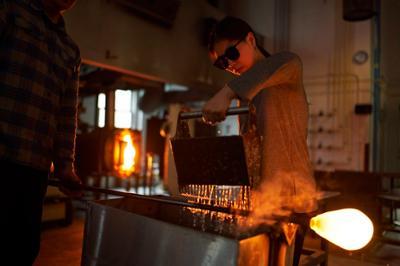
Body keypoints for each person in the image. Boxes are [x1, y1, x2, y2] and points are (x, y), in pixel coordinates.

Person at [202, 16, 317, 266]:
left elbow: (284, 61)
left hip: (290, 199)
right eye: (223, 62)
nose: (230, 63)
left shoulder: (287, 68)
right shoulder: (248, 95)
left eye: (232, 53)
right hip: (261, 200)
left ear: (251, 39)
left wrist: (226, 92)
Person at [0, 0, 82, 264]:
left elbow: (67, 113)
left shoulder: (70, 50)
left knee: (23, 248)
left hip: (34, 171)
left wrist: (64, 166)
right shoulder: (11, 11)